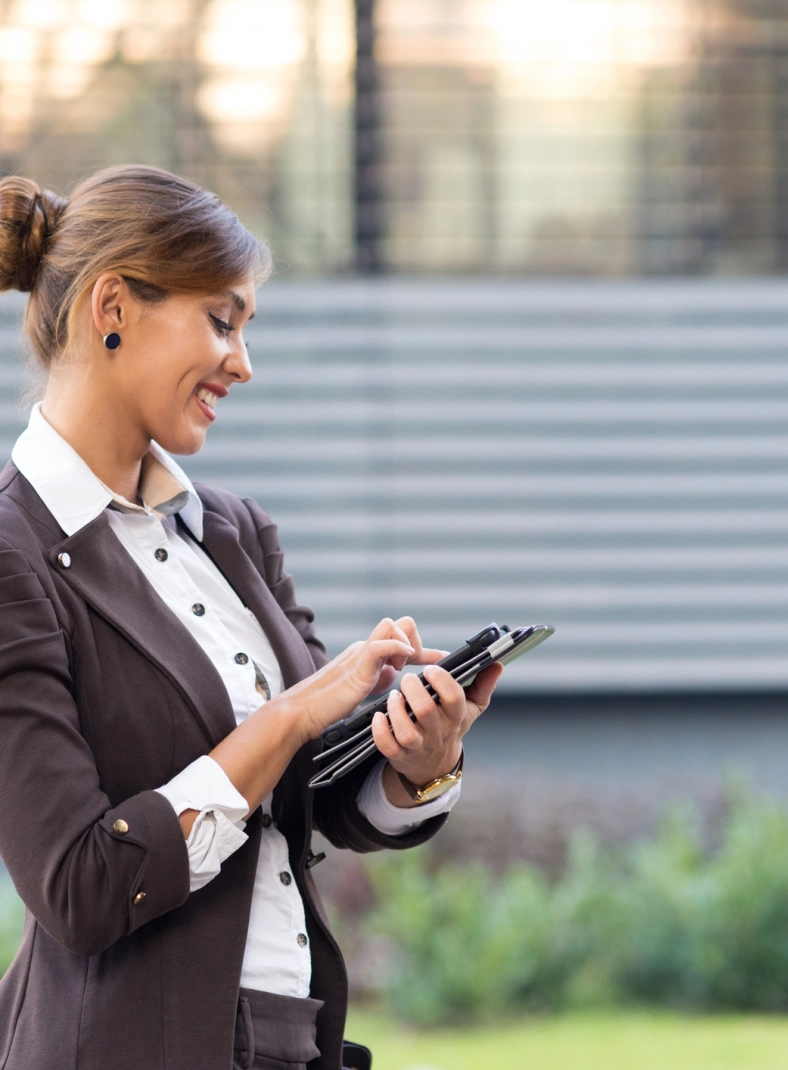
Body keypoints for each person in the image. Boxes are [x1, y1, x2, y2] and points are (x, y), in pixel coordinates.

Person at [0, 165, 502, 1070]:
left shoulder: (232, 532)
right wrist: (291, 712)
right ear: (112, 304)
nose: (243, 361)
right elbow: (77, 887)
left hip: (286, 1036)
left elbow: (311, 795)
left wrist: (419, 764)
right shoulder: (14, 553)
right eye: (221, 321)